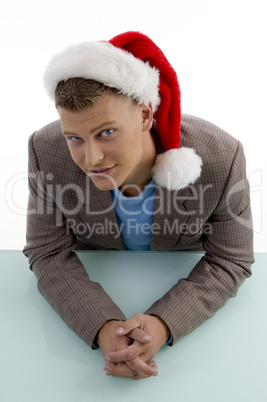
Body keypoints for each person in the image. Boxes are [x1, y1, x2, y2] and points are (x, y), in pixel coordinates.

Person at [23, 31, 254, 380]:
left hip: (180, 294)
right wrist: (104, 326)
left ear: (146, 115)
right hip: (101, 279)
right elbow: (46, 251)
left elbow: (230, 257)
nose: (92, 158)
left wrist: (163, 323)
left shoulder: (221, 157)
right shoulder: (46, 150)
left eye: (106, 133)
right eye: (75, 137)